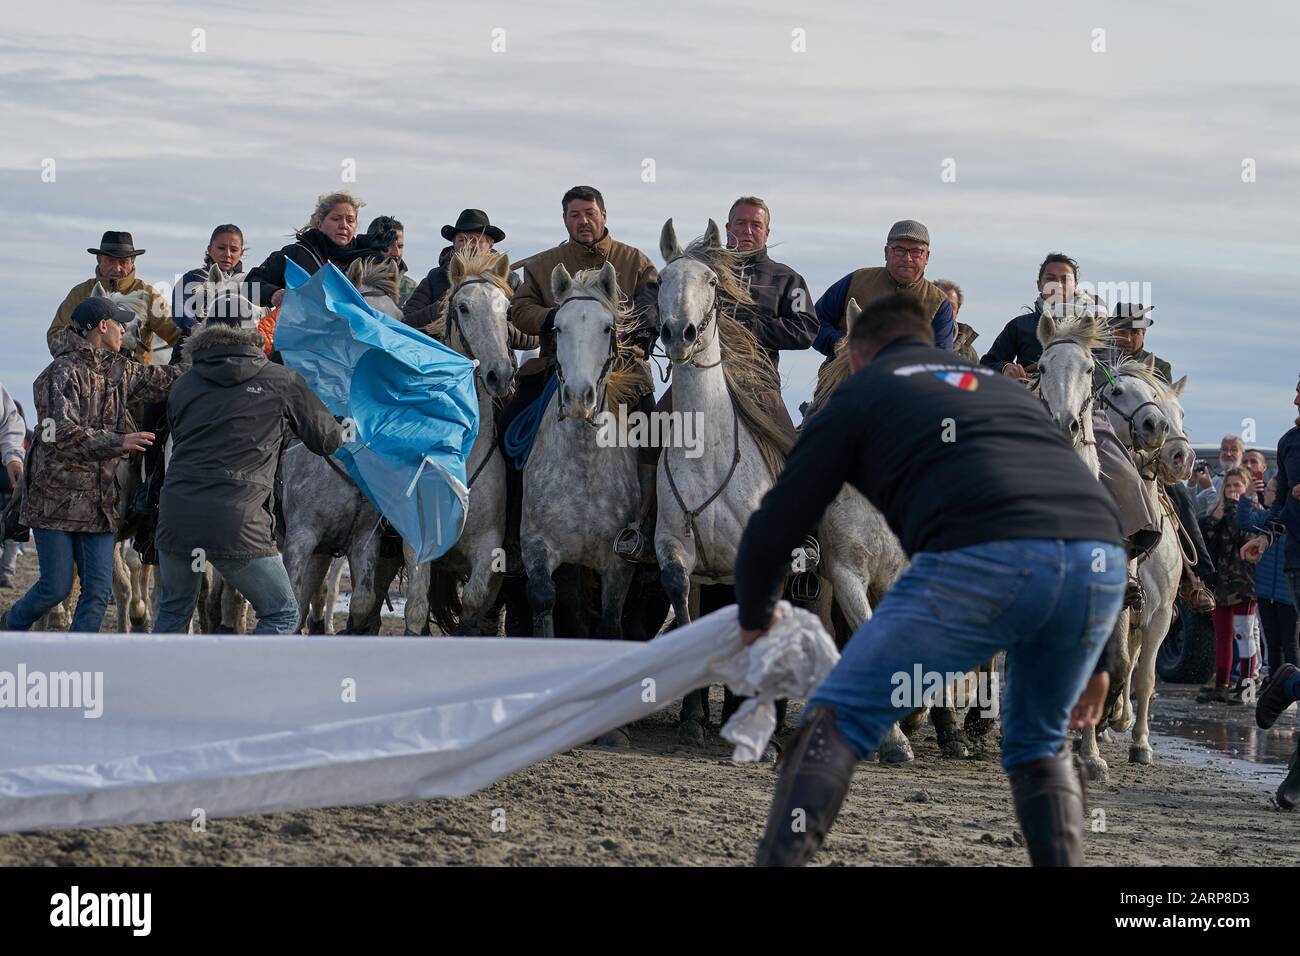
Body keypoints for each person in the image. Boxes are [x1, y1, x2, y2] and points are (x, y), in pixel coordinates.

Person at [735, 293, 1126, 867]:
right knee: (1036, 744)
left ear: (858, 357)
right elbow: (1085, 506)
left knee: (835, 718)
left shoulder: (862, 394)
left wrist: (752, 617)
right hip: (1097, 564)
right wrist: (1106, 663)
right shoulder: (992, 389)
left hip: (984, 556)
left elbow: (775, 523)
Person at [498, 186, 659, 578]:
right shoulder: (545, 265)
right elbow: (520, 309)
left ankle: (646, 531)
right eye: (574, 215)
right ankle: (514, 534)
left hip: (624, 373)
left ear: (604, 215)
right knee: (506, 432)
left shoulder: (633, 260)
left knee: (658, 435)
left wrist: (637, 329)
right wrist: (553, 319)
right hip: (555, 369)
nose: (582, 221)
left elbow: (651, 301)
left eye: (589, 213)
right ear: (565, 219)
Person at [152, 309, 343, 634]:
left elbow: (180, 433)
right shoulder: (281, 380)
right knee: (281, 612)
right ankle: (243, 681)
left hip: (178, 515)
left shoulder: (184, 383)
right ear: (254, 333)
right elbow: (328, 440)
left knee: (173, 611)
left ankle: (164, 684)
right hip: (238, 519)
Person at [2, 299, 182, 632]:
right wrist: (118, 442)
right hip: (55, 502)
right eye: (120, 324)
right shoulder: (58, 372)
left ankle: (78, 659)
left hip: (101, 504)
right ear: (103, 326)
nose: (125, 330)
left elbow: (165, 379)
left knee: (98, 592)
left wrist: (213, 356)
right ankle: (8, 629)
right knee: (55, 587)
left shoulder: (121, 369)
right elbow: (60, 433)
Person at [813, 220, 954, 356]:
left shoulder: (939, 303)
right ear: (887, 252)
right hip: (845, 370)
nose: (908, 258)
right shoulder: (856, 280)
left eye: (916, 251)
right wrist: (839, 343)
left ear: (927, 256)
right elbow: (814, 321)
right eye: (899, 250)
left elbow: (942, 356)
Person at [243, 192, 395, 307]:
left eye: (350, 220)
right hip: (300, 341)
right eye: (336, 219)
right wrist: (273, 294)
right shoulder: (294, 254)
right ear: (319, 223)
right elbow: (248, 286)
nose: (344, 225)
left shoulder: (370, 261)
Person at [47, 231, 180, 364]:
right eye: (111, 261)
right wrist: (90, 349)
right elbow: (55, 336)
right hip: (88, 373)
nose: (117, 268)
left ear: (133, 262)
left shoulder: (148, 296)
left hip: (136, 379)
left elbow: (176, 334)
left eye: (124, 262)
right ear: (99, 259)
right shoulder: (80, 293)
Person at [1197, 468, 1259, 702]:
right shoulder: (1219, 512)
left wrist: (1233, 508)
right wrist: (1215, 517)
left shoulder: (1250, 512)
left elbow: (1239, 533)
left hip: (1244, 587)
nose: (1233, 491)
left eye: (1238, 486)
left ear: (1245, 489)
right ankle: (1221, 684)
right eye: (1229, 486)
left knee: (1245, 637)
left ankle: (1247, 688)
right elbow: (1207, 541)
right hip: (1221, 588)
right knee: (1222, 636)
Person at [402, 209, 511, 331]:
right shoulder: (435, 277)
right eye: (462, 240)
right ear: (453, 243)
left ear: (490, 244)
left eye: (476, 240)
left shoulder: (508, 280)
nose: (468, 245)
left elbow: (529, 336)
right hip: (443, 350)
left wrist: (500, 328)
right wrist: (445, 307)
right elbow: (406, 321)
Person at [1238, 475, 1298, 677]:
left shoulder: (1294, 519)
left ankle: (1294, 689)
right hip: (1265, 591)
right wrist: (1247, 496)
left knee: (1290, 644)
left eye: (1271, 490)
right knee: (1272, 644)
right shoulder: (1268, 517)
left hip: (1288, 593)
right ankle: (1276, 685)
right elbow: (1244, 521)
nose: (1267, 494)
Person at [172, 225, 247, 332]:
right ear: (210, 249)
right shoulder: (193, 278)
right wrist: (193, 325)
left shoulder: (249, 281)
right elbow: (180, 307)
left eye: (234, 250)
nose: (227, 254)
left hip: (243, 341)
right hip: (199, 339)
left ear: (241, 253)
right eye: (221, 248)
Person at [0, 388, 27, 588]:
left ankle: (6, 573)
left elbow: (9, 423)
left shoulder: (30, 436)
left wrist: (13, 457)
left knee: (10, 535)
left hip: (10, 490)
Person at [364, 216, 419, 307]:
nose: (396, 253)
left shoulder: (411, 289)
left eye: (400, 246)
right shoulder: (352, 281)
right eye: (389, 245)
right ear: (372, 245)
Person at [1193, 434, 1246, 518]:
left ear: (1242, 455)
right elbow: (1193, 508)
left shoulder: (1246, 480)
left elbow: (1219, 515)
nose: (1228, 454)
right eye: (1224, 449)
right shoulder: (1217, 480)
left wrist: (1209, 489)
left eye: (1234, 450)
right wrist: (1192, 485)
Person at [933, 279, 979, 362]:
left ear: (957, 312)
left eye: (950, 306)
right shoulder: (914, 339)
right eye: (939, 303)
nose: (944, 309)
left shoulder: (968, 354)